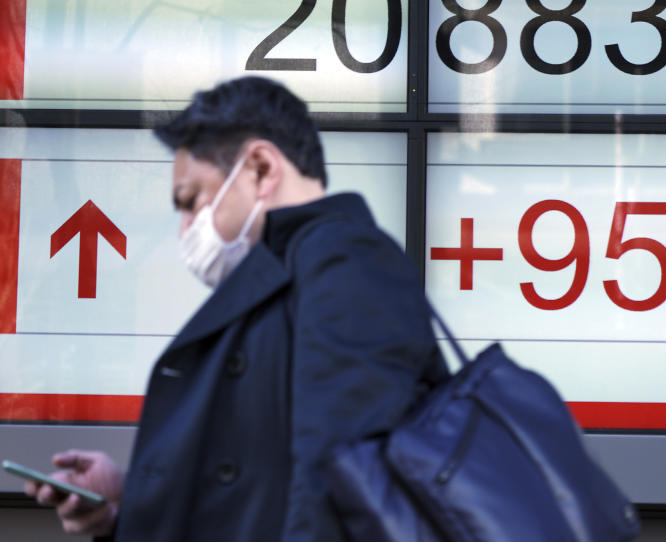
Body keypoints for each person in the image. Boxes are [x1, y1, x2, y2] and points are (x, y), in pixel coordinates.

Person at [25, 76, 448, 540]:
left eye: (192, 201)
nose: (187, 228)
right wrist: (132, 502)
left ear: (261, 170)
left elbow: (338, 494)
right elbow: (257, 485)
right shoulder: (284, 279)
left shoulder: (345, 261)